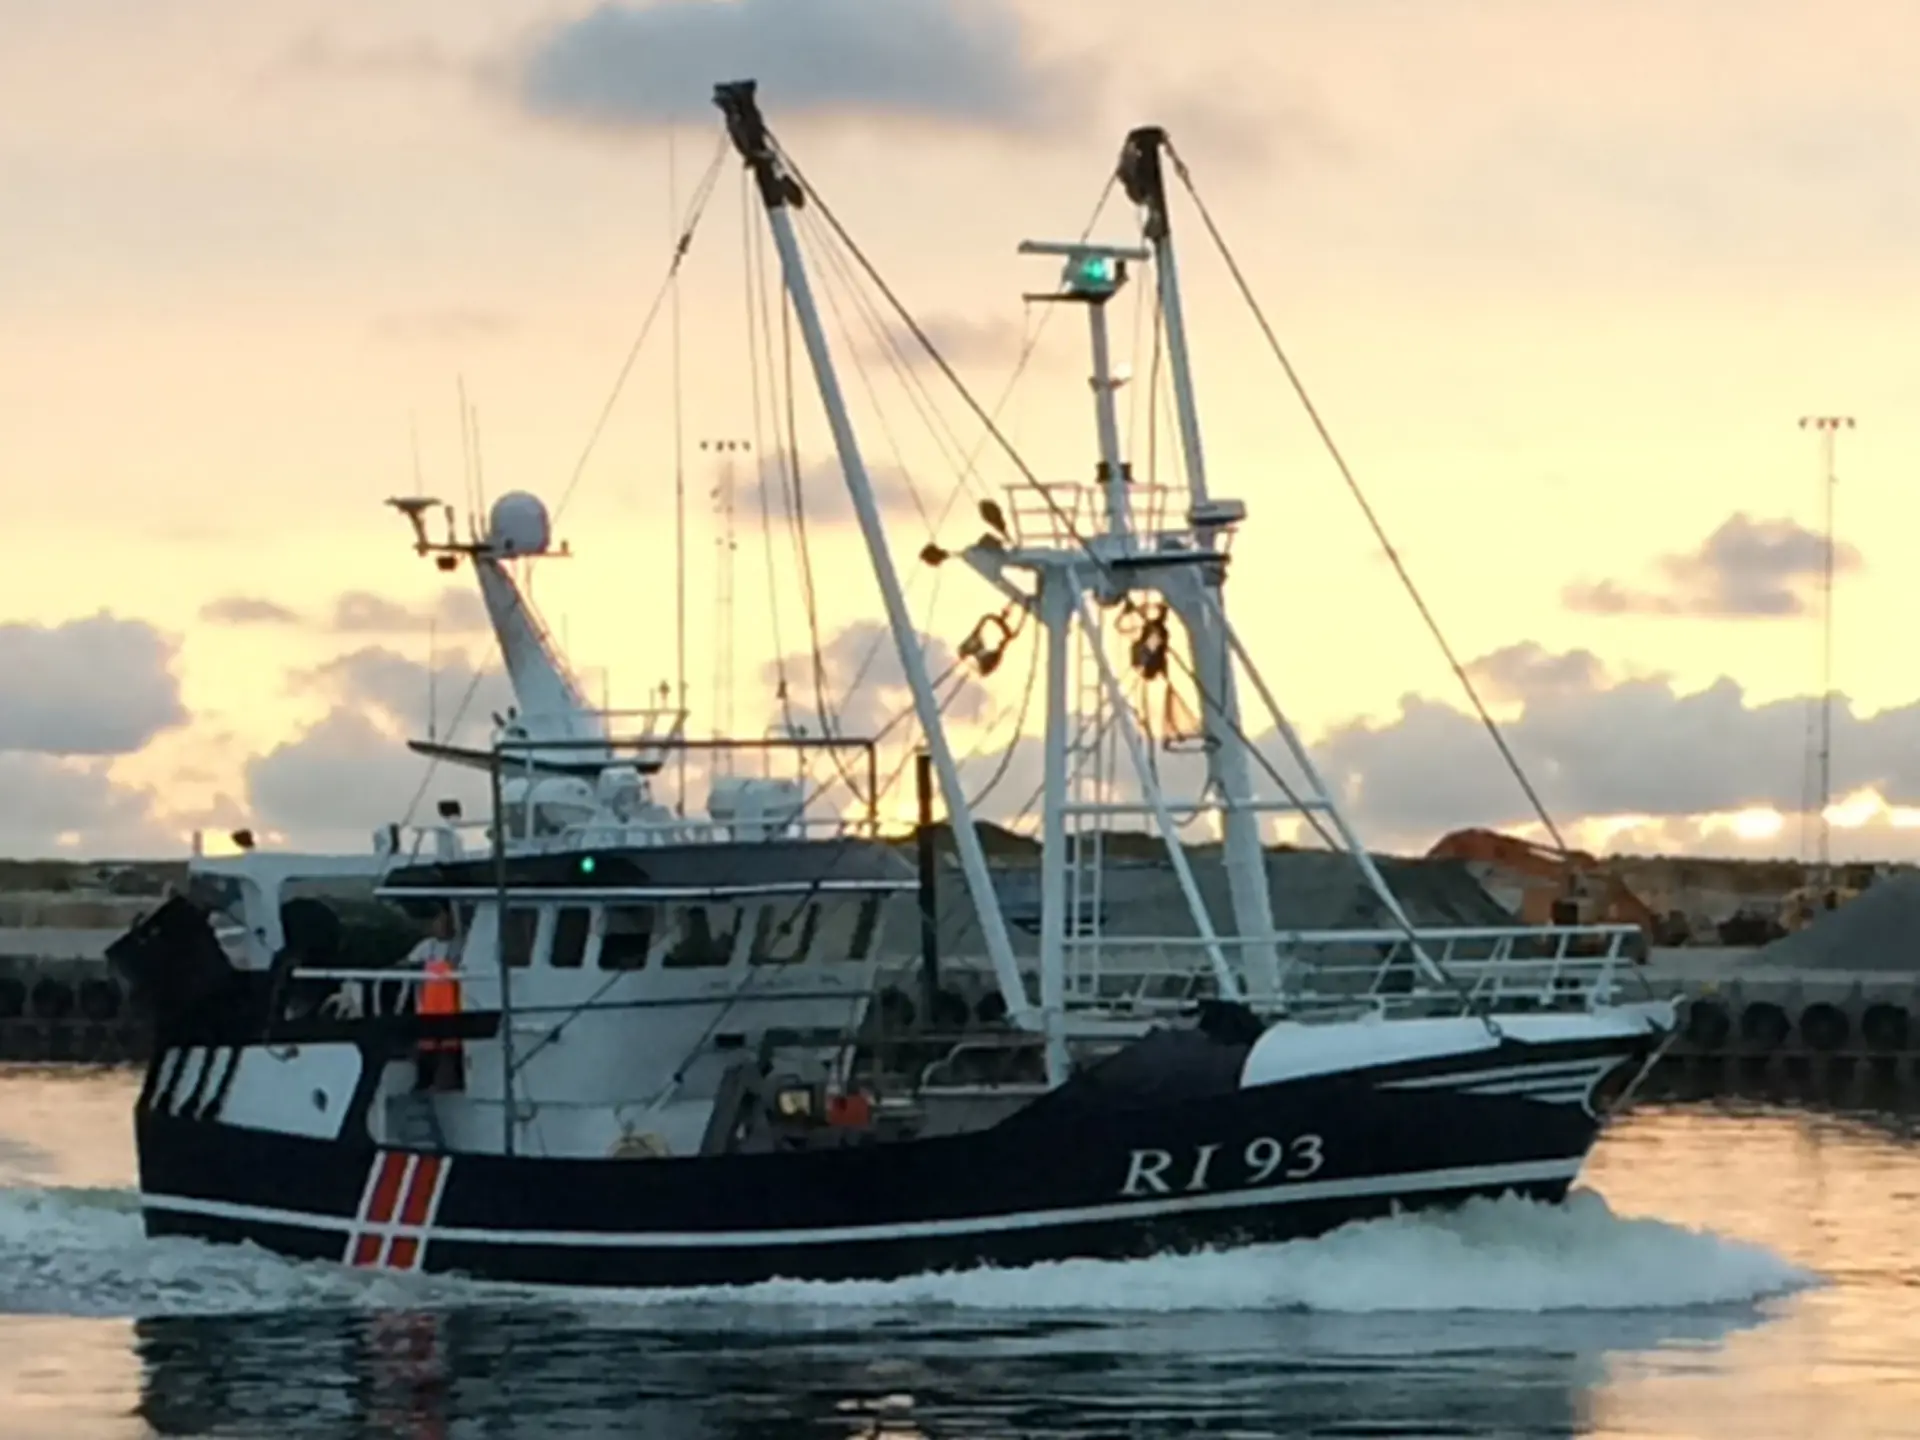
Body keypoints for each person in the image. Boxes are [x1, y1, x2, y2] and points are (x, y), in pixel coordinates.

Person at [409, 907, 464, 1093]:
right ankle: (423, 1082)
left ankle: (454, 1082)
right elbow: (410, 964)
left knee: (452, 1049)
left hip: (453, 1005)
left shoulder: (460, 946)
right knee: (426, 1047)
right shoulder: (425, 947)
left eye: (446, 923)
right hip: (428, 1006)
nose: (442, 927)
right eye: (439, 922)